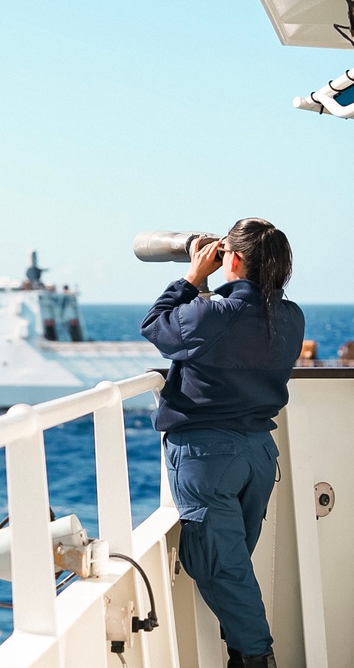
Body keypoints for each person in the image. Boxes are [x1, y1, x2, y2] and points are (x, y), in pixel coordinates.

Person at [140, 218, 304, 668]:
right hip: (257, 456)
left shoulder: (212, 315)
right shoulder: (290, 317)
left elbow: (156, 326)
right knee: (232, 566)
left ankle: (256, 658)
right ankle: (243, 652)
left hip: (207, 457)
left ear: (231, 259)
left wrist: (194, 277)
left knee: (220, 567)